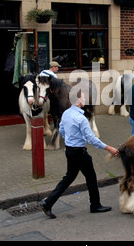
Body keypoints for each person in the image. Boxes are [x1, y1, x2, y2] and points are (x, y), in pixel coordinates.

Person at [39, 90, 119, 219]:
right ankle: (95, 205)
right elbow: (92, 139)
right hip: (79, 152)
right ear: (78, 100)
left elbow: (62, 130)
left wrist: (70, 140)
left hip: (70, 150)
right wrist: (109, 148)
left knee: (69, 178)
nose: (85, 98)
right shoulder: (81, 118)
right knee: (91, 177)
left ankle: (48, 203)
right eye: (83, 97)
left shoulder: (66, 113)